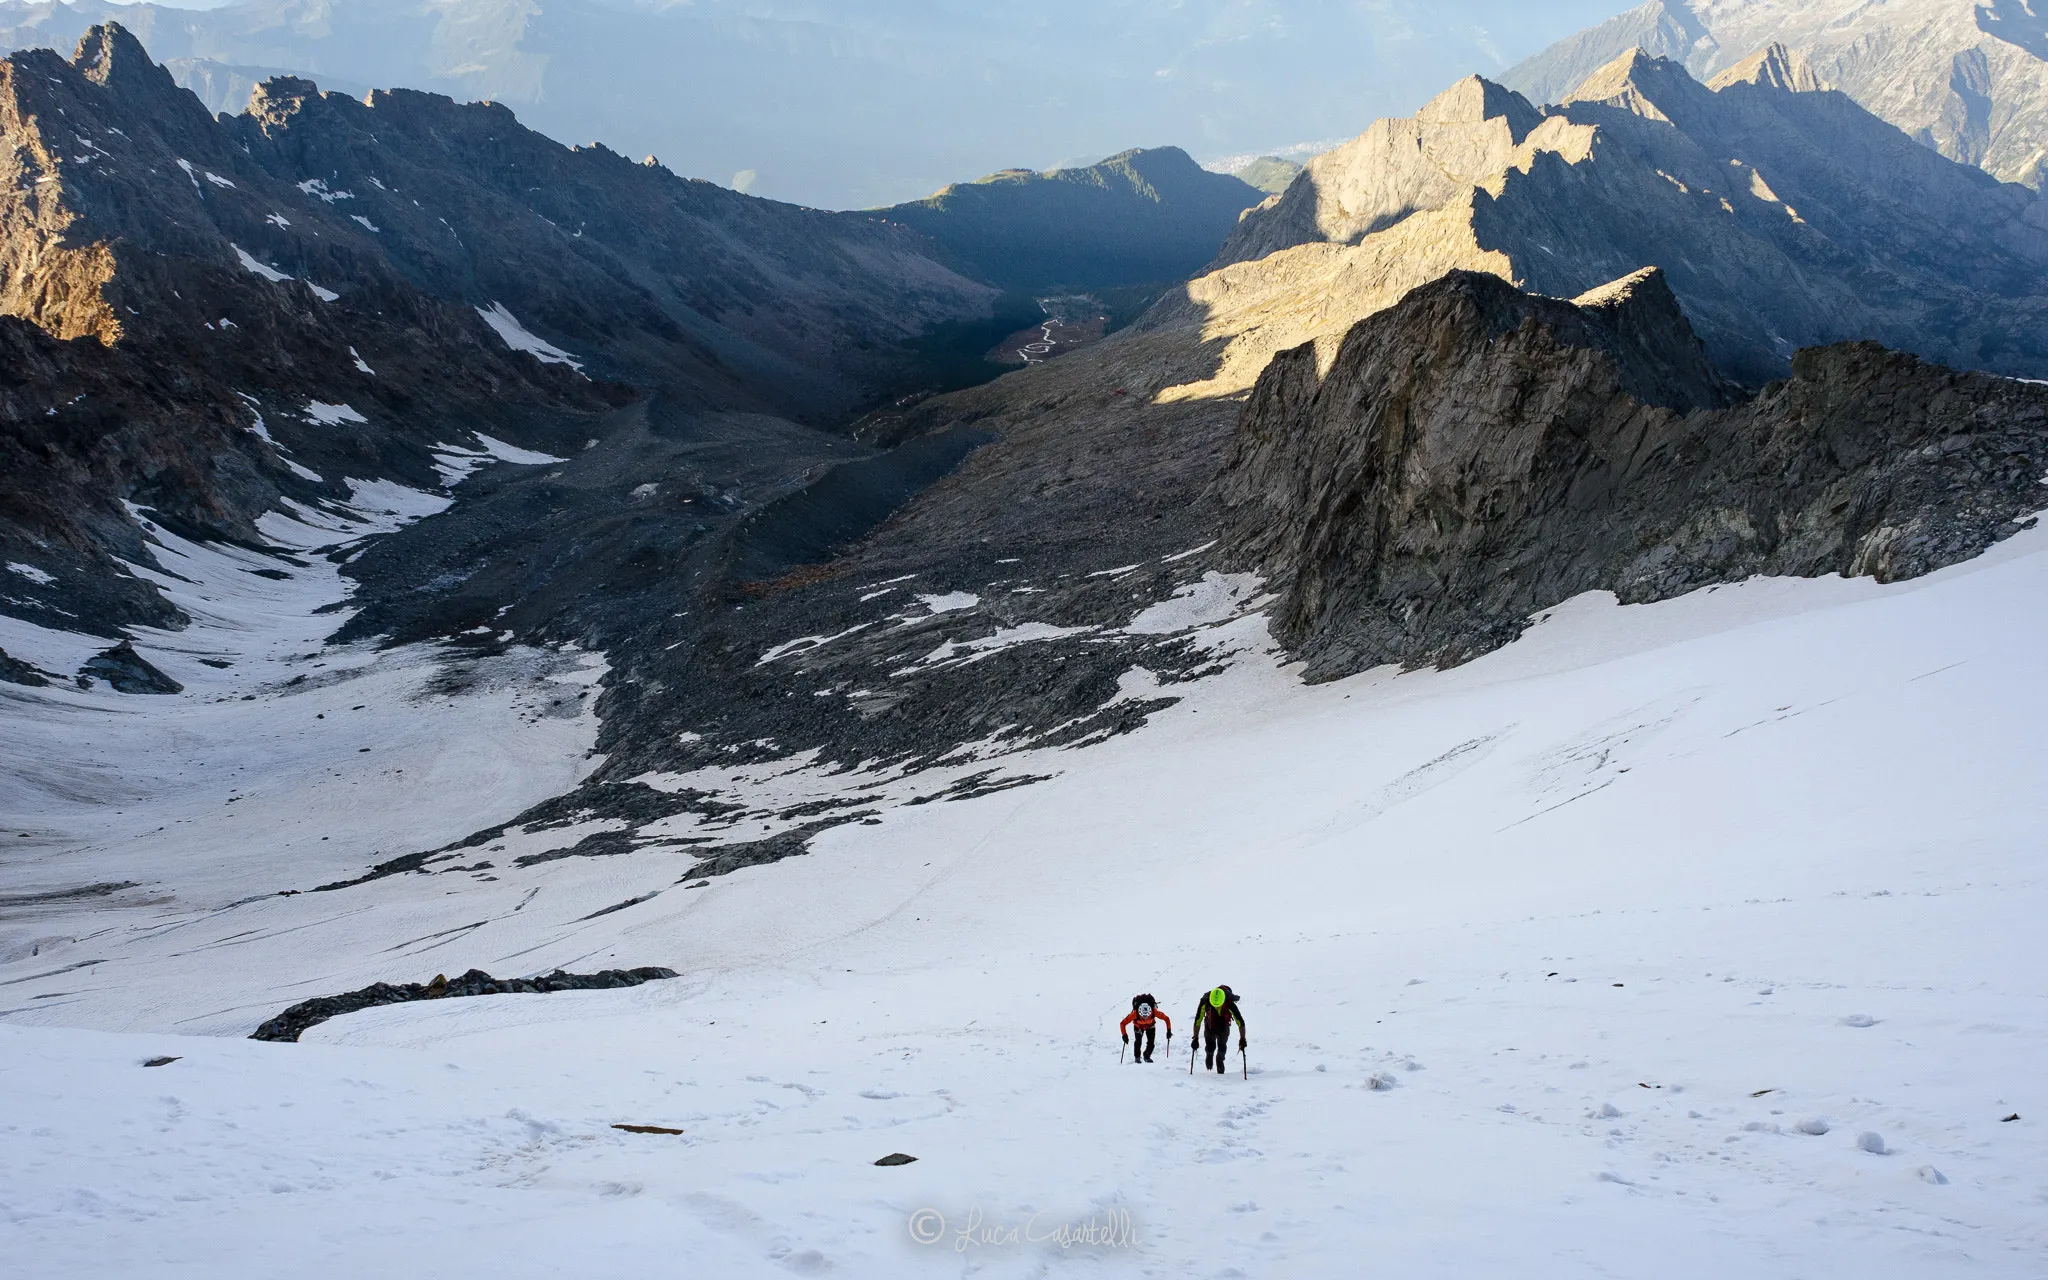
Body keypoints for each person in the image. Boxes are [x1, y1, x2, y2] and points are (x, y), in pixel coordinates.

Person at [1192, 985, 1246, 1074]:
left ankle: (1219, 1060)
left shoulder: (1229, 1003)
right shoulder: (1205, 1001)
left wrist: (1242, 1038)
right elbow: (1198, 1019)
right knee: (1210, 1047)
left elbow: (1240, 1021)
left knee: (1222, 1048)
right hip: (1210, 1027)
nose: (1217, 1007)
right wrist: (1195, 1038)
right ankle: (1209, 1054)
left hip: (1224, 1028)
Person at [1120, 993, 1172, 1062]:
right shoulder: (1134, 1014)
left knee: (1151, 1043)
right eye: (1143, 1016)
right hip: (1138, 1026)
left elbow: (1166, 1018)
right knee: (1138, 1042)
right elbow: (1122, 1023)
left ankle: (1146, 1056)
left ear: (1150, 1012)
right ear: (1139, 1012)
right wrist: (1124, 1035)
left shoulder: (1154, 1011)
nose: (1145, 1018)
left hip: (1150, 1026)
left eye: (1147, 1016)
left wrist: (1169, 1030)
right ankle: (1137, 1057)